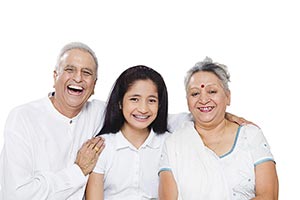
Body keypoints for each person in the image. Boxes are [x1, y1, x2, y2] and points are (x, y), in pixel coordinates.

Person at [158, 57, 279, 200]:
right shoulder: (174, 144)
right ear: (187, 101)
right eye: (195, 93)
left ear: (228, 97)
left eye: (212, 91)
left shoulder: (250, 136)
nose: (203, 100)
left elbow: (268, 196)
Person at [0, 42, 106, 200]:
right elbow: (15, 195)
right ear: (55, 76)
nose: (78, 78)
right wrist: (78, 171)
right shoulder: (23, 118)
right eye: (70, 70)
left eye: (86, 73)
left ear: (94, 85)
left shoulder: (100, 113)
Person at [85, 65, 170, 199]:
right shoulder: (102, 146)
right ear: (120, 102)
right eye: (134, 99)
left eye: (151, 100)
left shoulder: (169, 143)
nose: (143, 109)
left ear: (160, 104)